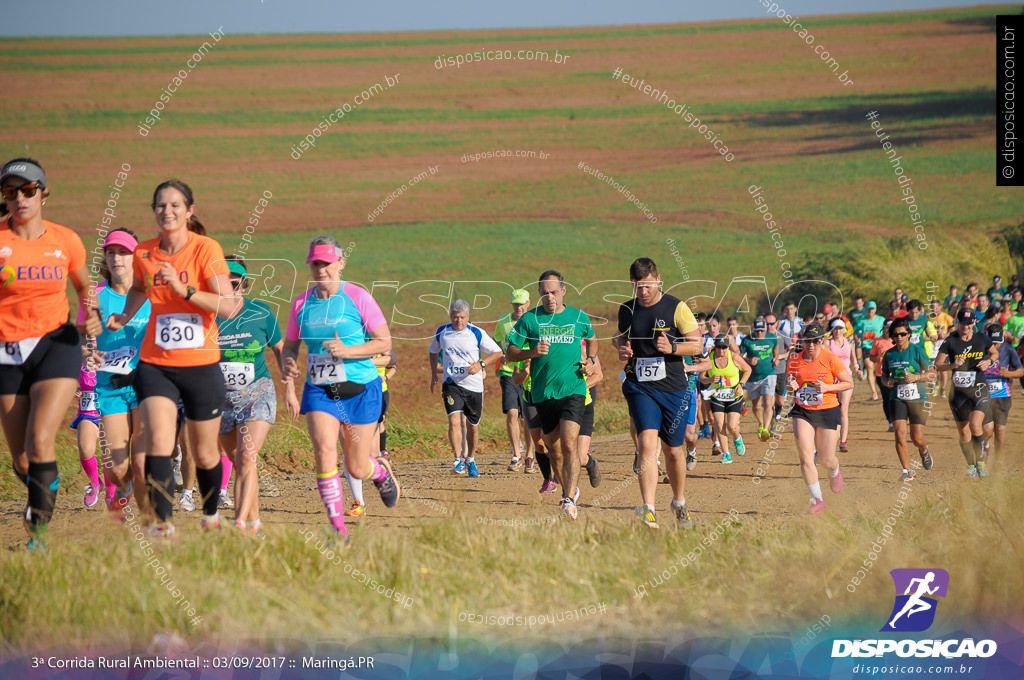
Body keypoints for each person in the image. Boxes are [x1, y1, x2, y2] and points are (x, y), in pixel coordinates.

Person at [105, 179, 242, 537]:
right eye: (161, 206)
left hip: (201, 365)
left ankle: (211, 512)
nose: (167, 211)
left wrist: (186, 291)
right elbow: (138, 288)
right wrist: (122, 314)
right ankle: (163, 525)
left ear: (189, 211)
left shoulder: (206, 249)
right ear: (154, 212)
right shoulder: (145, 253)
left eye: (175, 205)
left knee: (205, 452)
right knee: (158, 441)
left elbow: (228, 306)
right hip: (156, 364)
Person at [0, 158, 102, 549]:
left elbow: (84, 285)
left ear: (44, 194)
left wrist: (90, 314)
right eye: (11, 192)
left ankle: (38, 537)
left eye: (28, 191)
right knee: (23, 460)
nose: (20, 199)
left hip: (55, 345)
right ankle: (47, 484)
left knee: (41, 439)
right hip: (7, 352)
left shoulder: (65, 240)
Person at [281, 236, 400, 545]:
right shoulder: (300, 303)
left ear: (340, 263)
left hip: (361, 388)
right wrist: (289, 363)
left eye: (326, 263)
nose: (320, 269)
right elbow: (290, 346)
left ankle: (380, 472)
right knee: (323, 452)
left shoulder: (358, 297)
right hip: (321, 389)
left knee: (356, 466)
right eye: (315, 264)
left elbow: (384, 342)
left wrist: (348, 351)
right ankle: (338, 529)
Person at [613, 258, 702, 528]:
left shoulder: (677, 308)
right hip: (640, 385)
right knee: (646, 444)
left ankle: (679, 502)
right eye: (638, 287)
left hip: (673, 387)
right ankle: (649, 508)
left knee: (674, 452)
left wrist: (673, 348)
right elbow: (620, 336)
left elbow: (697, 345)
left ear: (658, 279)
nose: (643, 292)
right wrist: (622, 348)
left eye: (647, 286)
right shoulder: (627, 309)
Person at [506, 270, 598, 520]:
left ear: (563, 291)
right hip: (543, 393)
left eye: (554, 292)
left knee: (569, 442)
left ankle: (569, 500)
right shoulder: (529, 320)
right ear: (538, 293)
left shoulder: (578, 317)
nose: (550, 297)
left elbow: (592, 339)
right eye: (545, 293)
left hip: (574, 389)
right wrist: (532, 352)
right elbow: (510, 352)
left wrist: (590, 360)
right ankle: (569, 489)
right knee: (553, 449)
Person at [217, 256, 295, 532]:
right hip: (220, 399)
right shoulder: (205, 316)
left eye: (234, 280)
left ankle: (238, 522)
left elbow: (281, 349)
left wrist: (290, 389)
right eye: (223, 279)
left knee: (247, 458)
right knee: (241, 463)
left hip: (257, 393)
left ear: (243, 283)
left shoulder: (260, 313)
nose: (229, 284)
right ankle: (255, 522)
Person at [86, 228, 151, 520]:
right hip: (109, 387)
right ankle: (124, 490)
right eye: (111, 252)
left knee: (144, 458)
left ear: (136, 257)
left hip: (146, 383)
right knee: (117, 468)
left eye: (123, 252)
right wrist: (87, 353)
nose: (116, 258)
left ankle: (153, 520)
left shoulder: (152, 295)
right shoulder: (96, 297)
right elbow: (79, 337)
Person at [428, 299, 502, 477]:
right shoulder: (442, 332)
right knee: (454, 420)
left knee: (473, 427)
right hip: (451, 384)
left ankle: (471, 459)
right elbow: (433, 351)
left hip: (474, 386)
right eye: (455, 317)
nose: (458, 321)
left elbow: (498, 352)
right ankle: (458, 460)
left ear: (468, 317)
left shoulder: (476, 332)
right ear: (450, 316)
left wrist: (481, 364)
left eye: (462, 317)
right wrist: (433, 374)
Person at [785, 322, 853, 514]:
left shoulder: (830, 359)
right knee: (806, 457)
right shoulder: (794, 360)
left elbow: (848, 383)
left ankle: (834, 469)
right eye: (807, 341)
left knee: (825, 458)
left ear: (822, 341)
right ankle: (818, 499)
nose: (811, 345)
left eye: (815, 341)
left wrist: (828, 387)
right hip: (803, 411)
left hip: (828, 410)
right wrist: (791, 386)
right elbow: (790, 385)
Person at [934, 307, 999, 481]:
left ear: (974, 323)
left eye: (969, 323)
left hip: (979, 389)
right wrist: (952, 365)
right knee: (964, 433)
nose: (966, 327)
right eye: (963, 323)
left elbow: (994, 352)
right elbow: (937, 365)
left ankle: (981, 461)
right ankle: (971, 466)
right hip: (958, 394)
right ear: (957, 323)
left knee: (975, 424)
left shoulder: (981, 339)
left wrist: (989, 361)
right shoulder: (950, 341)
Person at [880, 318, 935, 481]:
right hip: (897, 397)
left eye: (903, 334)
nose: (899, 337)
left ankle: (924, 449)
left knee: (916, 438)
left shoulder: (917, 350)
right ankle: (906, 471)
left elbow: (933, 374)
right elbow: (883, 376)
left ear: (909, 335)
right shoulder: (889, 354)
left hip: (918, 397)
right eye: (896, 335)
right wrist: (886, 382)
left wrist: (917, 376)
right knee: (899, 434)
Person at [493, 289, 534, 471]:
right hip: (508, 372)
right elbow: (495, 342)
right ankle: (516, 454)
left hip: (529, 373)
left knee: (527, 418)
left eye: (522, 304)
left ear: (528, 303)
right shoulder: (503, 321)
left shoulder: (534, 320)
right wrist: (501, 355)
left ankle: (530, 455)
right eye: (515, 304)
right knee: (512, 412)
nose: (519, 307)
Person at [701, 334, 751, 465]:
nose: (721, 351)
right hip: (717, 395)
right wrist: (710, 380)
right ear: (715, 347)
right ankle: (726, 454)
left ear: (728, 347)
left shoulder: (733, 357)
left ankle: (737, 437)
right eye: (719, 347)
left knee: (731, 426)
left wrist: (742, 384)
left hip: (734, 394)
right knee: (719, 424)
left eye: (724, 348)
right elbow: (701, 377)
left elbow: (748, 370)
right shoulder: (709, 359)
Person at [981, 323, 1023, 467]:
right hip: (983, 395)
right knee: (987, 429)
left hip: (1003, 395)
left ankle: (998, 460)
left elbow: (1020, 370)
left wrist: (1009, 374)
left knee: (999, 429)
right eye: (992, 343)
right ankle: (985, 447)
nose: (995, 346)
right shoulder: (980, 350)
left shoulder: (1008, 350)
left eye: (998, 343)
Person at [71, 364, 106, 507]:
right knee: (85, 449)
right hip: (88, 412)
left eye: (96, 338)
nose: (92, 339)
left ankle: (112, 494)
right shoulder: (77, 357)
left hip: (112, 409)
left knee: (110, 455)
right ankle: (95, 483)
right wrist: (74, 388)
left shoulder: (114, 350)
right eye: (90, 338)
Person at [741, 317, 779, 442]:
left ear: (765, 329)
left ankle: (766, 430)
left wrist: (776, 358)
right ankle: (761, 423)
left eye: (762, 331)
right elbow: (739, 357)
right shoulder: (747, 340)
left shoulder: (772, 337)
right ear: (753, 330)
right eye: (757, 331)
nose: (760, 333)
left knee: (768, 402)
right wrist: (748, 360)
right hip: (753, 377)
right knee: (756, 406)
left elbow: (776, 347)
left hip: (769, 374)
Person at [827, 318, 858, 452]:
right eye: (835, 329)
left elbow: (854, 360)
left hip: (846, 378)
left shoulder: (849, 343)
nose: (838, 331)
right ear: (832, 330)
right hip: (832, 379)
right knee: (833, 409)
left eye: (840, 328)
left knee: (843, 409)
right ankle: (832, 438)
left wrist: (857, 369)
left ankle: (843, 441)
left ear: (844, 329)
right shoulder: (828, 344)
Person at [766, 313, 793, 432]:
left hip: (781, 370)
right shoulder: (761, 336)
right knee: (768, 400)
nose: (769, 326)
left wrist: (779, 357)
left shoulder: (782, 335)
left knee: (780, 400)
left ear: (776, 323)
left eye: (772, 323)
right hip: (767, 372)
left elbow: (791, 350)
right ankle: (771, 426)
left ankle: (779, 410)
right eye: (767, 324)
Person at [855, 301, 885, 400]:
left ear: (875, 309)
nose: (870, 311)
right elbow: (855, 332)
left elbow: (887, 330)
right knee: (869, 367)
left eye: (872, 309)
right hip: (867, 347)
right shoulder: (861, 321)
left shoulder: (881, 319)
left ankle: (882, 387)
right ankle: (874, 392)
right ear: (866, 310)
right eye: (869, 309)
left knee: (879, 369)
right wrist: (857, 339)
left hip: (879, 347)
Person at [871, 319, 896, 432]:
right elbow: (871, 356)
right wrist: (877, 358)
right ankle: (890, 422)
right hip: (882, 374)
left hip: (896, 374)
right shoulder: (878, 341)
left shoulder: (898, 339)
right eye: (887, 328)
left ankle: (898, 419)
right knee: (887, 398)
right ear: (883, 328)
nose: (888, 330)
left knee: (896, 398)